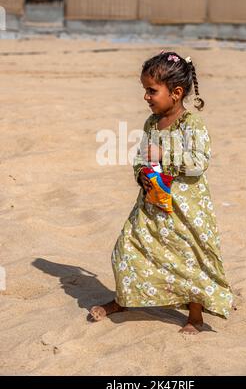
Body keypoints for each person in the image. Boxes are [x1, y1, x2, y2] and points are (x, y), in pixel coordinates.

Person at [89, 50, 233, 334]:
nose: (146, 97)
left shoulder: (192, 125)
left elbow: (199, 162)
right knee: (126, 248)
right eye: (144, 90)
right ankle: (125, 299)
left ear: (176, 92)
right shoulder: (151, 124)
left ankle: (195, 316)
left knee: (189, 258)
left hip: (186, 209)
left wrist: (165, 152)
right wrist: (141, 172)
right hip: (152, 204)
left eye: (151, 91)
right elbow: (142, 156)